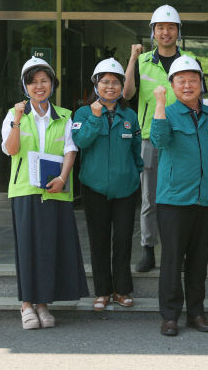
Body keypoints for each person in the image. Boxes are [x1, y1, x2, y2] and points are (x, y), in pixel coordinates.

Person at [1, 56, 88, 330]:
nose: (39, 86)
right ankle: (26, 304)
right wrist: (16, 119)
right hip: (25, 190)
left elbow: (70, 150)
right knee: (27, 249)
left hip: (56, 190)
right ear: (25, 87)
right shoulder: (14, 115)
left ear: (52, 83)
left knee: (49, 249)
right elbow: (11, 149)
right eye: (33, 82)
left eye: (44, 80)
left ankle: (43, 304)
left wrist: (63, 178)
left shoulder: (64, 115)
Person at [123, 5, 205, 273]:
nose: (166, 32)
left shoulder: (191, 61)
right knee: (150, 198)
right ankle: (148, 248)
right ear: (153, 32)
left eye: (171, 27)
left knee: (179, 197)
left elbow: (198, 99)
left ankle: (176, 250)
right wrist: (132, 59)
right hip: (150, 136)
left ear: (178, 32)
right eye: (160, 27)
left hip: (183, 136)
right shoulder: (143, 60)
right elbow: (126, 94)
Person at [150, 56, 208, 337]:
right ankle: (170, 316)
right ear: (171, 85)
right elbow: (158, 141)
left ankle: (196, 312)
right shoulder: (166, 113)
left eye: (193, 79)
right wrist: (159, 103)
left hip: (205, 199)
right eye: (180, 80)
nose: (187, 85)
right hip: (173, 200)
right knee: (172, 259)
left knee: (198, 260)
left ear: (201, 84)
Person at [72, 58, 143, 311]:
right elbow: (81, 142)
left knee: (123, 240)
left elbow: (136, 149)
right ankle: (102, 291)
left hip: (126, 188)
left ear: (122, 86)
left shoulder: (129, 115)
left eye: (115, 82)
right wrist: (94, 117)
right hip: (94, 188)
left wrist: (136, 172)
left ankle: (121, 290)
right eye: (105, 82)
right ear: (96, 85)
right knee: (99, 239)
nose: (110, 87)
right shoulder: (83, 113)